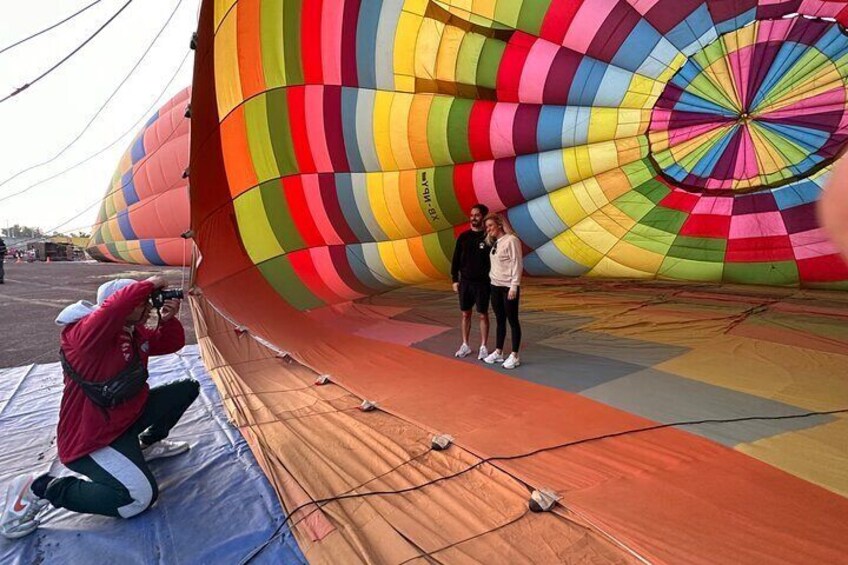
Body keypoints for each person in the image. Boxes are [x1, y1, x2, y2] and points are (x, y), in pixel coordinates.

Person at [0, 276, 198, 539]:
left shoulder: (132, 331)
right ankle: (41, 488)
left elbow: (171, 344)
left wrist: (167, 319)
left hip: (125, 418)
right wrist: (150, 283)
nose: (149, 306)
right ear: (122, 305)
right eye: (143, 302)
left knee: (186, 388)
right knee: (137, 498)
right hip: (93, 436)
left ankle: (147, 444)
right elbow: (112, 310)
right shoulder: (83, 336)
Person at [450, 204, 491, 360]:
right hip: (465, 282)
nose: (473, 217)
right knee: (465, 313)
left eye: (477, 215)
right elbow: (455, 260)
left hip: (483, 284)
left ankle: (483, 347)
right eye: (472, 215)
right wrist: (455, 279)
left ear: (483, 217)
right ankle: (465, 345)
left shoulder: (489, 238)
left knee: (482, 314)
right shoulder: (463, 237)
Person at [482, 213, 523, 369]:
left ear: (499, 224)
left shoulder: (511, 240)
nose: (489, 229)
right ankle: (499, 351)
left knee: (512, 320)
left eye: (491, 226)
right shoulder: (495, 242)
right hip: (495, 286)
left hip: (508, 287)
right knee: (500, 319)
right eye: (487, 227)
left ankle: (515, 355)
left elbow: (517, 263)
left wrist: (514, 285)